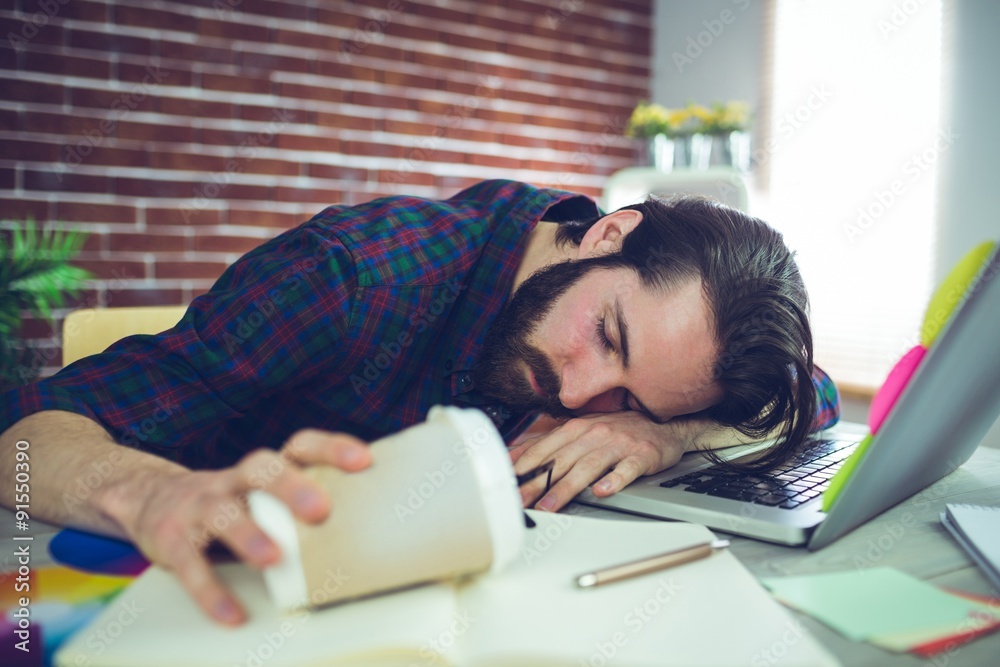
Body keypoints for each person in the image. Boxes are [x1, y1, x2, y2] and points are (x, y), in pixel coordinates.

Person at [0, 179, 839, 625]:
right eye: (608, 337)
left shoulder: (639, 356)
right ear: (608, 234)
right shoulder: (350, 278)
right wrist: (155, 489)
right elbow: (23, 437)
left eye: (626, 395)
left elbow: (813, 394)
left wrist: (665, 431)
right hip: (209, 605)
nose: (581, 393)